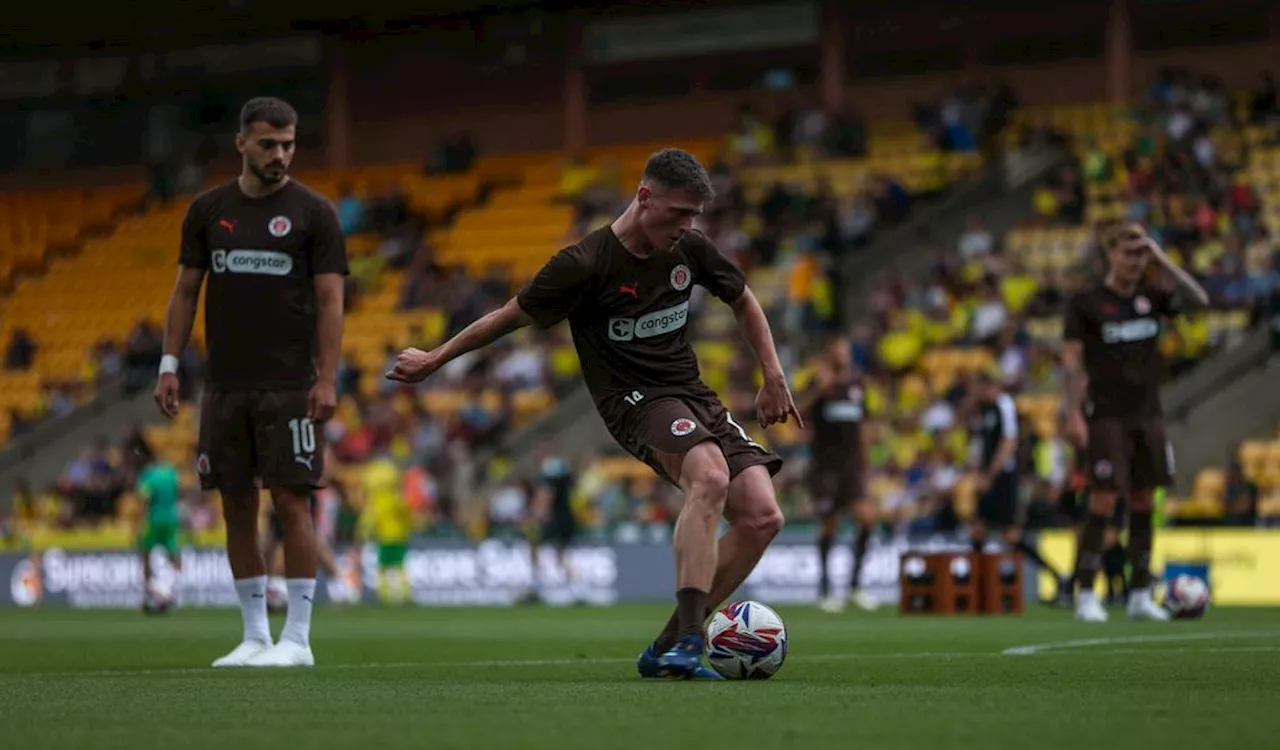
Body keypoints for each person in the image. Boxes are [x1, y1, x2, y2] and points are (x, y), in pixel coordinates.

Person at [387, 148, 797, 680]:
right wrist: (435, 358)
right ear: (644, 197)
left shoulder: (689, 249)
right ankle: (692, 638)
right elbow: (507, 318)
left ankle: (668, 644)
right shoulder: (583, 265)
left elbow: (743, 299)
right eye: (678, 213)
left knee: (764, 516)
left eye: (694, 216)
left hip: (692, 392)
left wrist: (773, 374)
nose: (687, 226)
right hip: (634, 400)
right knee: (711, 475)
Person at [153, 96, 348, 667]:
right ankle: (255, 635)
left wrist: (328, 378)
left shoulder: (315, 213)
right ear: (241, 143)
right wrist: (169, 363)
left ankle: (299, 639)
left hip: (289, 383)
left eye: (288, 144)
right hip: (223, 386)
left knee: (292, 501)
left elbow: (332, 298)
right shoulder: (209, 210)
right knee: (235, 503)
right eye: (268, 144)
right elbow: (186, 290)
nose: (280, 155)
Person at [1061, 222, 1207, 623]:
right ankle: (1086, 593)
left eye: (1142, 254)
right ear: (1110, 254)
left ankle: (1140, 593)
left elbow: (1201, 301)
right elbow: (1071, 361)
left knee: (1144, 500)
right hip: (1107, 415)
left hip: (1148, 414)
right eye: (1129, 253)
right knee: (1104, 500)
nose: (1136, 261)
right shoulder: (1087, 303)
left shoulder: (1151, 297)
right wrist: (1073, 412)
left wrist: (1165, 262)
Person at [795, 337, 877, 613]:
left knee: (867, 519)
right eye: (837, 350)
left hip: (852, 467)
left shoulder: (858, 385)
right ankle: (826, 589)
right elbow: (798, 413)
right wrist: (819, 388)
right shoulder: (818, 383)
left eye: (845, 350)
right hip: (825, 467)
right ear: (829, 354)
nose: (842, 354)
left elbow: (864, 426)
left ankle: (856, 586)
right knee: (829, 525)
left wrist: (867, 466)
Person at [966, 369, 1063, 590]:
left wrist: (990, 474)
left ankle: (1056, 575)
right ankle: (978, 584)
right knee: (978, 529)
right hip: (988, 477)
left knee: (1010, 535)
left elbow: (1009, 442)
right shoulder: (983, 410)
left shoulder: (1004, 404)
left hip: (1003, 478)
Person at [357, 450, 413, 605]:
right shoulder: (397, 499)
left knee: (384, 567)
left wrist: (364, 533)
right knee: (399, 566)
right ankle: (404, 593)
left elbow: (369, 519)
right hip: (399, 537)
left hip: (385, 538)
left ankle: (384, 593)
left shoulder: (377, 501)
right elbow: (407, 515)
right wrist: (409, 529)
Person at [524, 447, 579, 604]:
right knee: (561, 555)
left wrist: (535, 516)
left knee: (533, 546)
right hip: (567, 517)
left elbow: (546, 496)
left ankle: (535, 587)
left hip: (554, 519)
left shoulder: (549, 474)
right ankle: (575, 591)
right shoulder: (563, 474)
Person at [136, 455, 183, 604]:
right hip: (171, 518)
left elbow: (144, 498)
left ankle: (148, 592)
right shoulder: (171, 474)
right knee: (173, 554)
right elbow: (180, 492)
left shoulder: (148, 476)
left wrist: (138, 522)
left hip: (153, 519)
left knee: (145, 554)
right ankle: (176, 590)